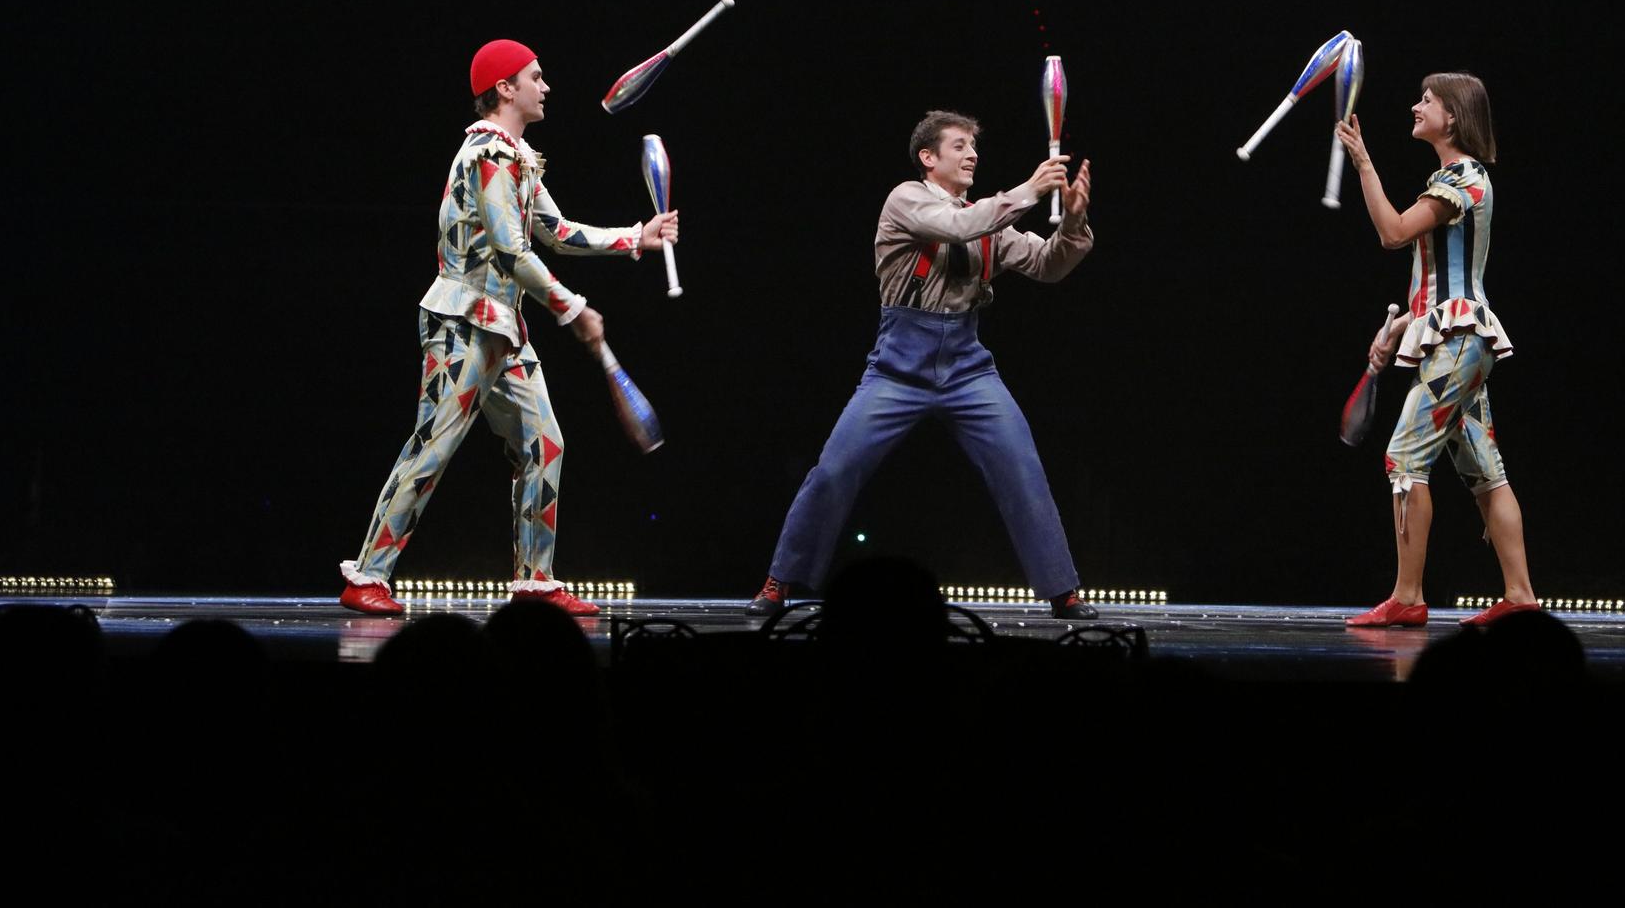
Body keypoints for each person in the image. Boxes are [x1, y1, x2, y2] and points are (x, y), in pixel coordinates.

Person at [338, 39, 679, 617]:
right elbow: (510, 249)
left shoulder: (517, 156)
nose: (545, 87)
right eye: (535, 77)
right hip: (462, 321)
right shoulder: (487, 156)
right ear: (505, 88)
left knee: (544, 443)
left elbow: (556, 231)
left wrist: (635, 237)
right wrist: (572, 308)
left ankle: (535, 582)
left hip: (503, 328)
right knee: (434, 444)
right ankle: (367, 574)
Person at [746, 111, 1100, 620]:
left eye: (974, 146)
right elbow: (953, 227)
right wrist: (1027, 191)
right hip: (897, 367)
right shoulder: (906, 200)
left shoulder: (988, 219)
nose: (972, 154)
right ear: (928, 157)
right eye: (959, 146)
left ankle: (1063, 591)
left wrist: (1073, 220)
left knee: (1021, 467)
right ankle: (780, 580)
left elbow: (1049, 265)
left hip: (968, 368)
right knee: (835, 469)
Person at [1335, 73, 1540, 628]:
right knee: (1485, 471)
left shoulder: (1463, 180)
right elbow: (1435, 282)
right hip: (1455, 338)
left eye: (1427, 100)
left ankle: (1407, 596)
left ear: (1452, 117)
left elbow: (1394, 233)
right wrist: (1399, 328)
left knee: (1404, 459)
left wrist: (1364, 164)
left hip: (1459, 343)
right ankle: (1520, 596)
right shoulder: (1453, 180)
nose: (1415, 106)